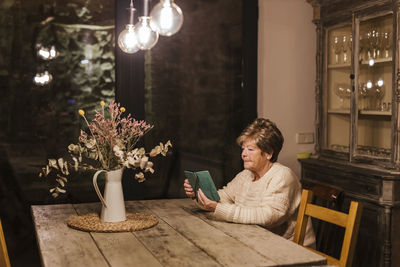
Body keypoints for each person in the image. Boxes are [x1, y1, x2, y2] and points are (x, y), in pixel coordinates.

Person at [183, 118, 315, 247]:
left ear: (268, 153)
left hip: (288, 250)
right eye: (243, 149)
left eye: (250, 149)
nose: (243, 154)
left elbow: (269, 216)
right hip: (254, 242)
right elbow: (222, 198)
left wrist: (217, 208)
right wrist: (198, 194)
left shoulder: (283, 176)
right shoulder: (245, 175)